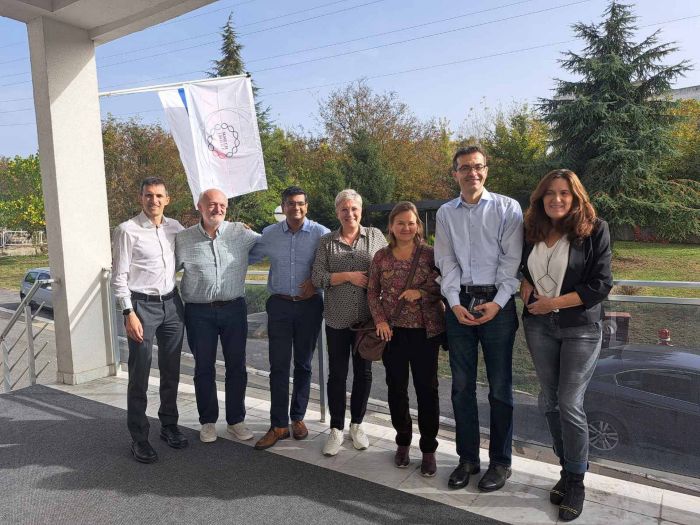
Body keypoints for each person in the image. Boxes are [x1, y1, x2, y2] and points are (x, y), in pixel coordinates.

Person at [520, 169, 612, 522]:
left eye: (564, 193)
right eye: (549, 193)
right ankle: (566, 467)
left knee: (569, 403)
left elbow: (601, 285)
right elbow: (523, 266)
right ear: (540, 198)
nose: (556, 199)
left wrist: (553, 304)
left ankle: (576, 481)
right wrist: (525, 284)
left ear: (575, 197)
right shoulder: (532, 229)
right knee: (549, 401)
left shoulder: (594, 230)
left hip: (580, 328)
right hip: (538, 326)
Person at [434, 145, 523, 492]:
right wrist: (454, 302)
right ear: (455, 173)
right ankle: (467, 459)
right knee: (461, 388)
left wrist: (497, 304)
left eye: (478, 166)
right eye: (465, 167)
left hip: (498, 307)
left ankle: (501, 462)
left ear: (486, 170)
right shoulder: (446, 213)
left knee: (500, 388)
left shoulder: (507, 208)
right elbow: (446, 261)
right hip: (460, 305)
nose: (472, 173)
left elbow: (511, 261)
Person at [111, 177, 188, 463]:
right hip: (141, 306)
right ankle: (139, 437)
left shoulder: (175, 228)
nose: (153, 200)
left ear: (167, 199)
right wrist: (127, 312)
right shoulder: (127, 230)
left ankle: (168, 425)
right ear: (140, 198)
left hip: (172, 304)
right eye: (148, 195)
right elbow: (119, 277)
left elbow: (197, 243)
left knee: (171, 370)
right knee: (139, 372)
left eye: (158, 196)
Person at [175, 188, 260, 444]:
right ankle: (208, 422)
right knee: (203, 368)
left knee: (237, 367)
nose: (218, 209)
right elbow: (164, 269)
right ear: (199, 207)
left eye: (222, 205)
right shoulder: (183, 239)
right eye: (212, 204)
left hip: (234, 309)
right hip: (198, 312)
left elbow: (272, 244)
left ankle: (236, 421)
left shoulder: (241, 232)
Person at [367, 201, 445, 477]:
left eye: (411, 223)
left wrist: (421, 293)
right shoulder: (381, 257)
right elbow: (372, 291)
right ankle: (402, 441)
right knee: (396, 389)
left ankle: (428, 449)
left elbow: (445, 286)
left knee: (427, 391)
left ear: (418, 226)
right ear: (391, 226)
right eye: (400, 223)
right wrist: (380, 320)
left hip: (426, 332)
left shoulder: (431, 255)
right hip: (393, 333)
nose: (406, 227)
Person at [249, 186, 330, 450]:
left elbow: (332, 266)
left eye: (300, 203)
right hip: (280, 306)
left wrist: (315, 282)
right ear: (283, 207)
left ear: (307, 206)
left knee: (303, 365)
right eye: (291, 204)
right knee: (279, 366)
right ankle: (278, 425)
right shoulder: (269, 234)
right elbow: (248, 255)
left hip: (309, 306)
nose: (296, 208)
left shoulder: (321, 234)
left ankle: (298, 418)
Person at [311, 189, 388, 456]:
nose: (350, 213)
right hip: (337, 319)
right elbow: (318, 277)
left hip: (367, 321)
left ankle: (357, 424)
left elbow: (386, 269)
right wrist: (348, 276)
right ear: (337, 213)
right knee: (337, 375)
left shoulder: (375, 236)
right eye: (344, 209)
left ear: (361, 210)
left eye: (354, 208)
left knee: (364, 373)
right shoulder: (327, 242)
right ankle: (336, 428)